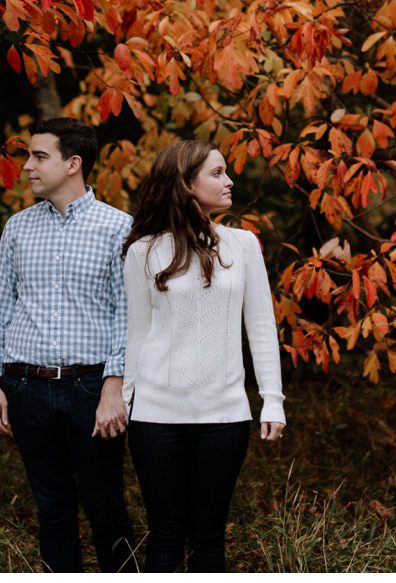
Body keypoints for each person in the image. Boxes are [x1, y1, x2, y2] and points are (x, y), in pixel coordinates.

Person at [121, 139, 286, 572]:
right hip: (155, 418)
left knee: (210, 536)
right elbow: (136, 333)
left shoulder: (244, 245)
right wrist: (123, 402)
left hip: (224, 418)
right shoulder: (143, 251)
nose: (229, 181)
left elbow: (262, 329)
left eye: (226, 171)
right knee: (165, 535)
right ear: (186, 184)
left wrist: (272, 399)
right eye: (217, 173)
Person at [0, 118, 136, 573]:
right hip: (25, 387)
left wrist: (114, 387)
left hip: (91, 390)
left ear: (73, 164)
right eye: (28, 155)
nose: (27, 166)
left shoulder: (118, 228)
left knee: (106, 508)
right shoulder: (18, 228)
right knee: (52, 508)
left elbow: (126, 316)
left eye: (38, 156)